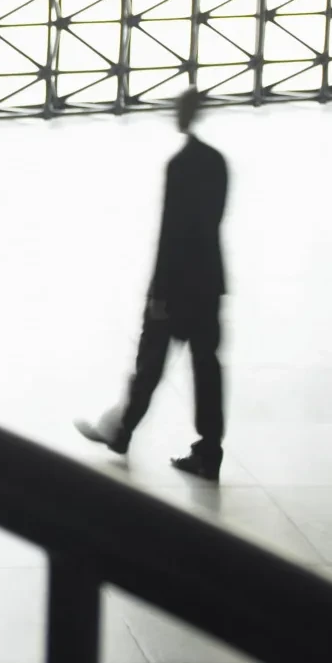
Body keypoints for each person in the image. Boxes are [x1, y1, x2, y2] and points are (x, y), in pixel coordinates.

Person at [77, 88, 228, 480]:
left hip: (177, 287)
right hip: (208, 282)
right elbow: (208, 225)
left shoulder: (180, 166)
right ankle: (208, 449)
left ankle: (122, 431)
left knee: (150, 362)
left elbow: (171, 234)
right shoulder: (216, 162)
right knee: (206, 369)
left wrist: (158, 293)